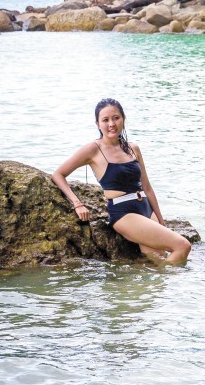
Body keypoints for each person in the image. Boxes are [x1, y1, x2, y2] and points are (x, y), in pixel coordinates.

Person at [51, 98, 191, 264]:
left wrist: (160, 220)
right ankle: (174, 286)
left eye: (116, 118)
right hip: (124, 213)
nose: (111, 124)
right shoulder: (93, 150)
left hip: (146, 207)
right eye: (105, 120)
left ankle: (141, 287)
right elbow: (58, 174)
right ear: (98, 124)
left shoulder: (133, 148)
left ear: (123, 119)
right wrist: (77, 203)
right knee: (183, 246)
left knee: (156, 263)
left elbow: (147, 187)